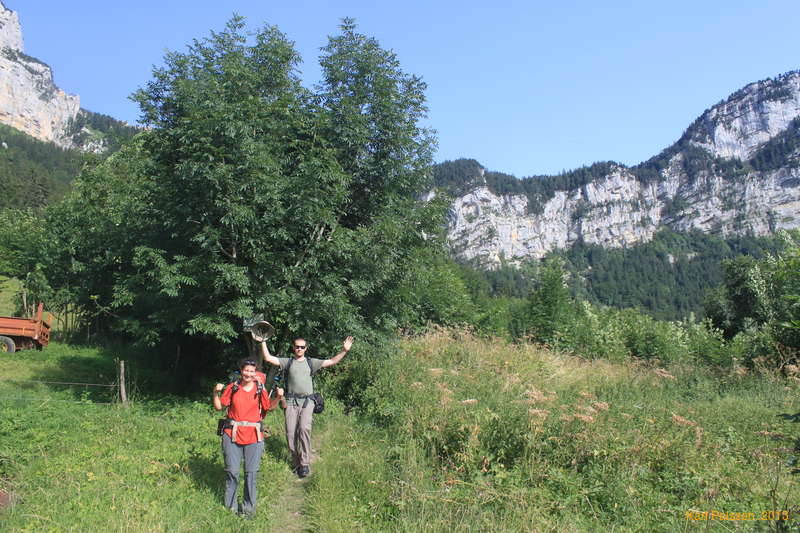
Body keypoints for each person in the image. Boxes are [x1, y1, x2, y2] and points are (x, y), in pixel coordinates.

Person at [260, 336, 353, 477]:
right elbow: (267, 357)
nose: (299, 349)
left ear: (306, 348)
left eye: (302, 347)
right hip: (291, 402)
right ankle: (296, 462)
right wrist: (263, 341)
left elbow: (332, 361)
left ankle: (304, 464)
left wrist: (344, 351)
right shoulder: (288, 362)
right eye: (297, 346)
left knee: (304, 429)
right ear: (293, 347)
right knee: (291, 434)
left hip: (307, 402)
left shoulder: (311, 362)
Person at [213, 359, 283, 517]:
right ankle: (230, 510)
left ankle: (248, 510)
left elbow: (269, 408)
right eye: (246, 370)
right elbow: (219, 406)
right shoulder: (233, 387)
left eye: (252, 371)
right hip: (232, 434)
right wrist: (215, 392)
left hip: (254, 436)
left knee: (251, 474)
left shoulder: (260, 389)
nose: (249, 374)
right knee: (232, 472)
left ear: (256, 373)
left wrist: (278, 398)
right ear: (241, 371)